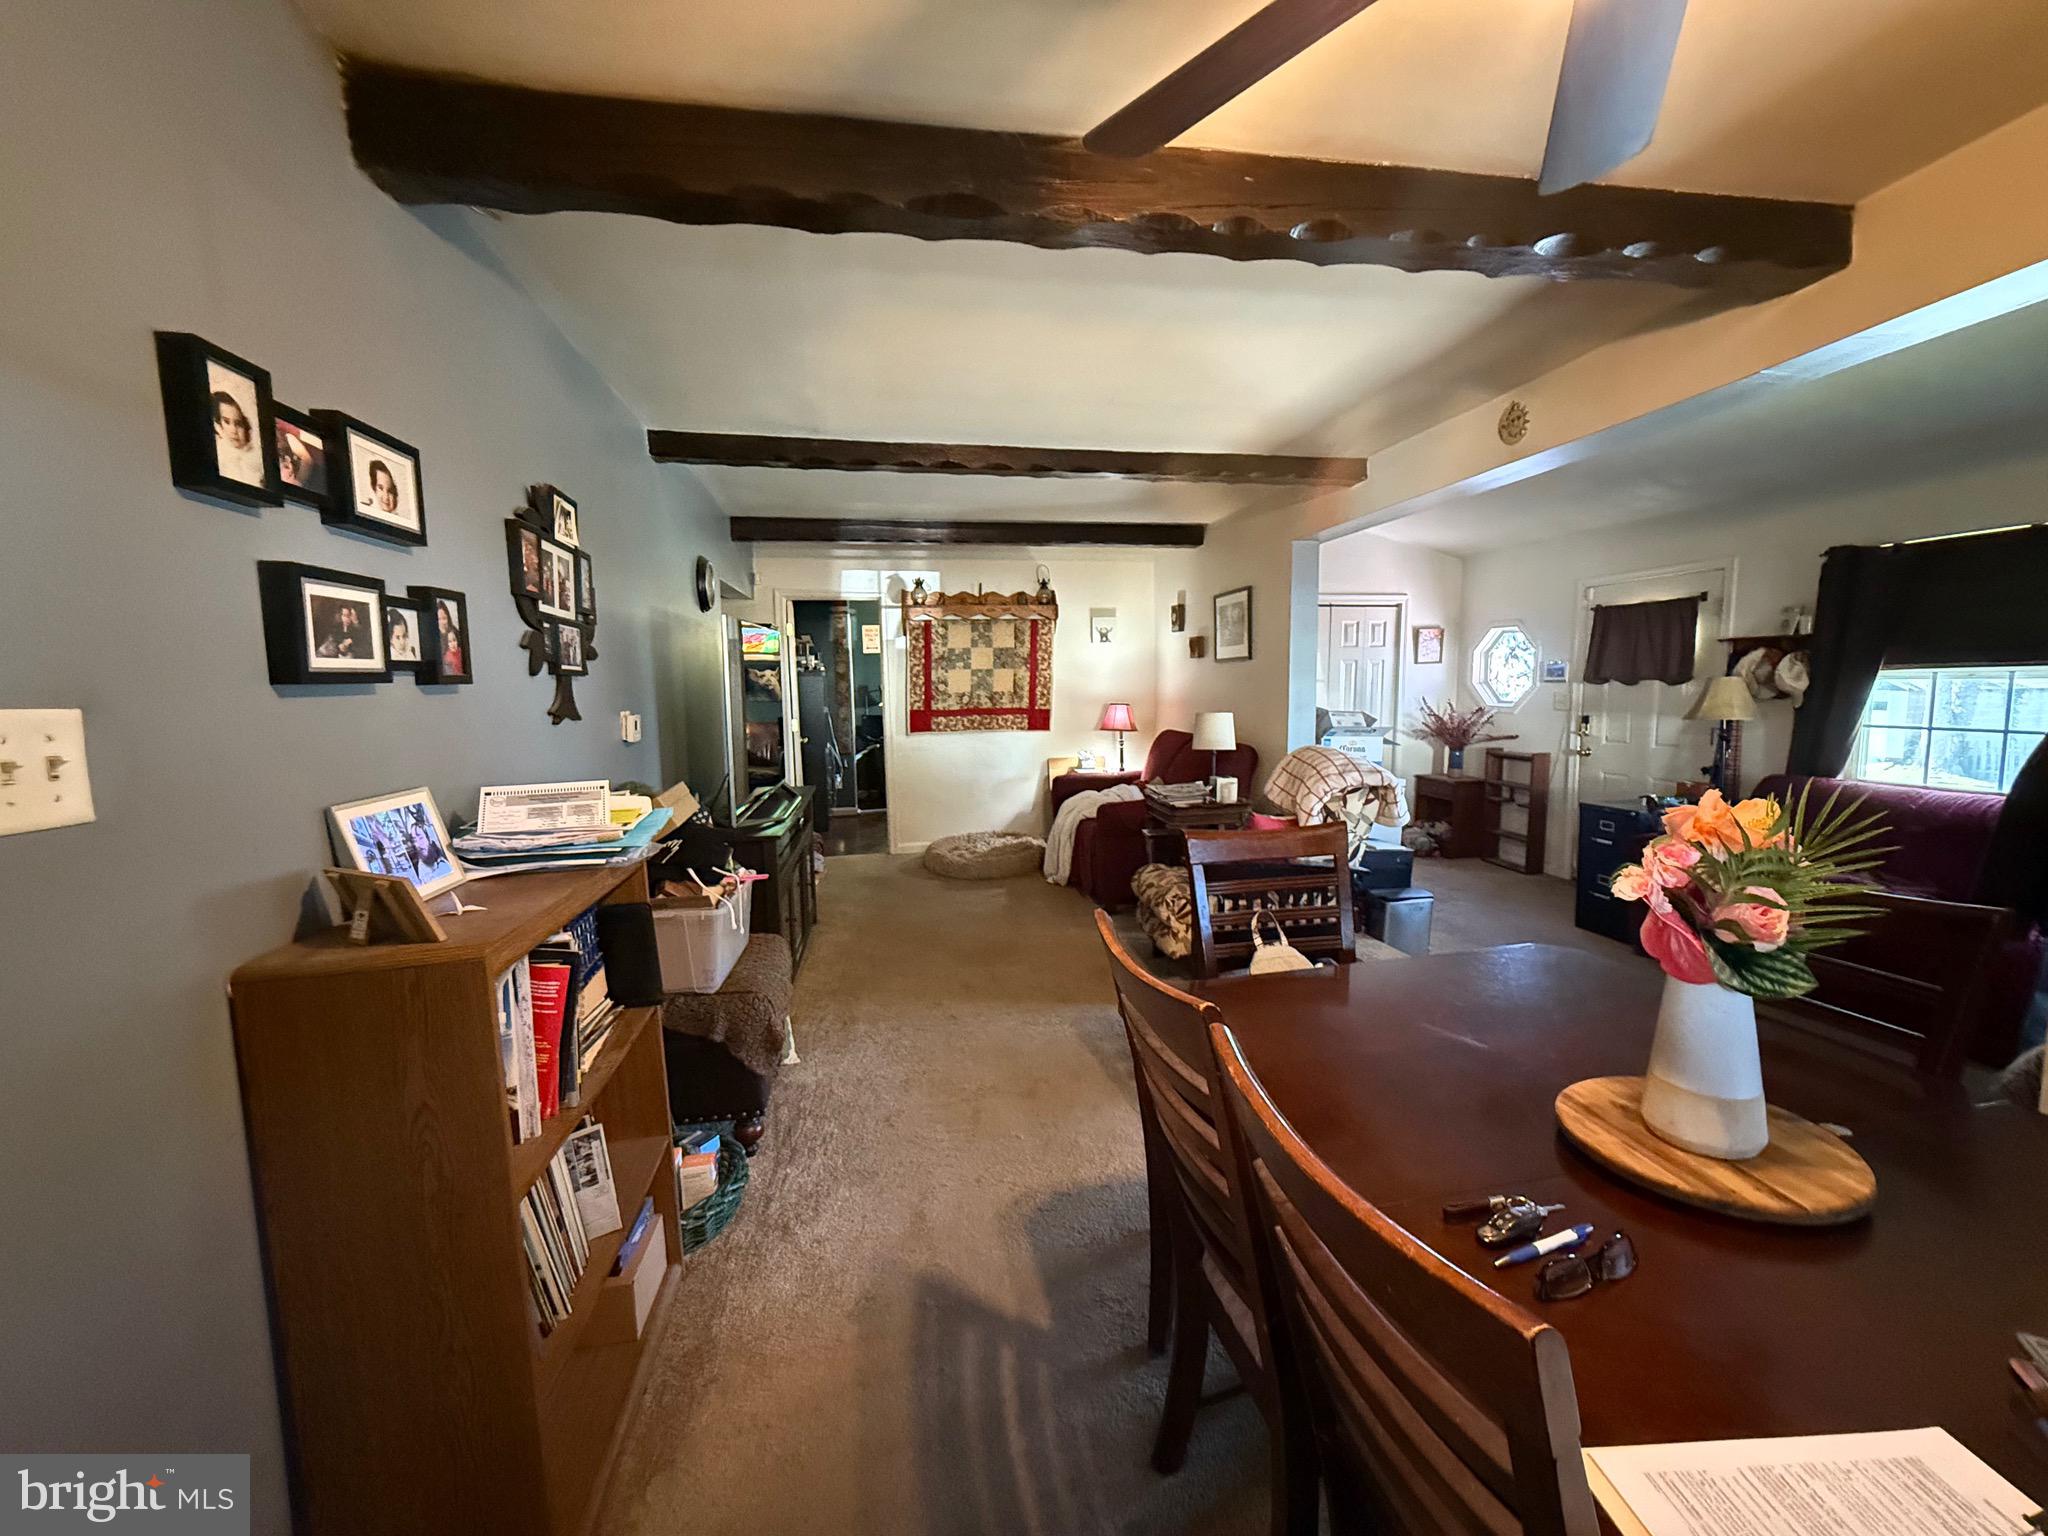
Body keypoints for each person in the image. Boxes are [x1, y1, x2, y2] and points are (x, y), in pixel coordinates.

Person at [212, 390, 264, 484]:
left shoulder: (257, 462)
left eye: (238, 424)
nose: (234, 430)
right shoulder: (218, 460)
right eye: (227, 422)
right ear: (218, 425)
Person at [438, 601, 464, 674]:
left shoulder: (454, 631)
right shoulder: (434, 636)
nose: (442, 622)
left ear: (448, 617)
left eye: (444, 618)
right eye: (439, 619)